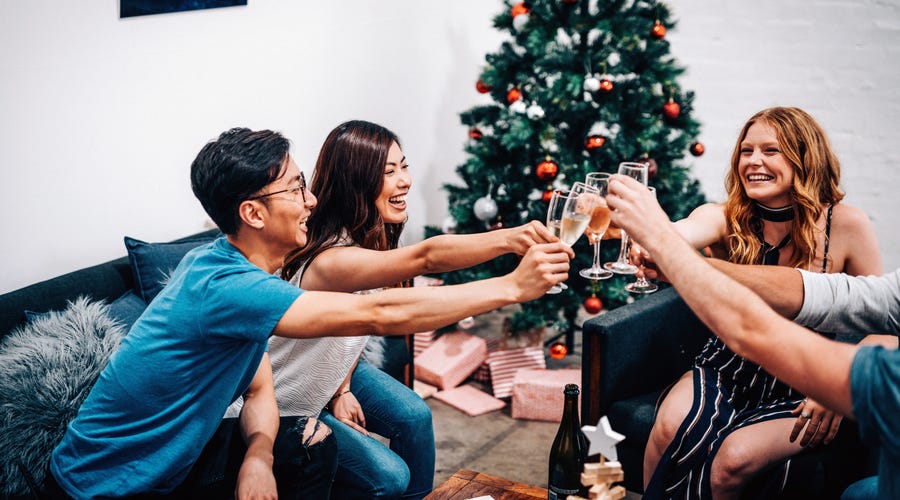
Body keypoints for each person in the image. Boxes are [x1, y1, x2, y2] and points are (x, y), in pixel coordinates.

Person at [46, 127, 572, 499]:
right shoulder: (228, 286)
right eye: (296, 189)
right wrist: (510, 287)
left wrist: (258, 454)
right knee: (355, 460)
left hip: (171, 463)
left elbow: (257, 386)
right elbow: (385, 313)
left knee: (310, 443)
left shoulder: (227, 267)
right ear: (252, 213)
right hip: (101, 485)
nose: (311, 199)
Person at [225, 120, 556, 498]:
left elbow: (354, 327)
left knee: (414, 416)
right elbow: (425, 259)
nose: (405, 181)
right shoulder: (330, 261)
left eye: (403, 165)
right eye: (388, 172)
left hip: (326, 379)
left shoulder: (369, 235)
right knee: (389, 477)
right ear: (356, 183)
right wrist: (509, 250)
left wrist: (343, 388)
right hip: (283, 402)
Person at [606, 172, 899, 500]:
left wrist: (838, 387)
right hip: (727, 366)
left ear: (803, 158)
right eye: (747, 150)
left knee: (733, 459)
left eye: (771, 150)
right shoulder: (727, 214)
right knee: (667, 429)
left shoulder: (847, 224)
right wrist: (648, 232)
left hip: (800, 381)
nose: (754, 161)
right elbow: (684, 231)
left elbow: (884, 326)